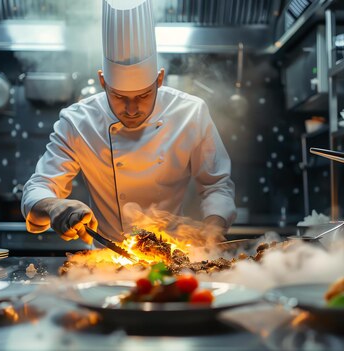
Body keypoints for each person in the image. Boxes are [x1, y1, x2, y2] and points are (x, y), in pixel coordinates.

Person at [21, 0, 236, 244]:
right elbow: (39, 186)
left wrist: (212, 231)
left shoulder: (190, 112)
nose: (132, 109)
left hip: (176, 257)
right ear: (103, 82)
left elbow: (216, 184)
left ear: (159, 80)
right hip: (106, 260)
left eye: (144, 95)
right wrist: (54, 205)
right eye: (119, 96)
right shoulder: (77, 121)